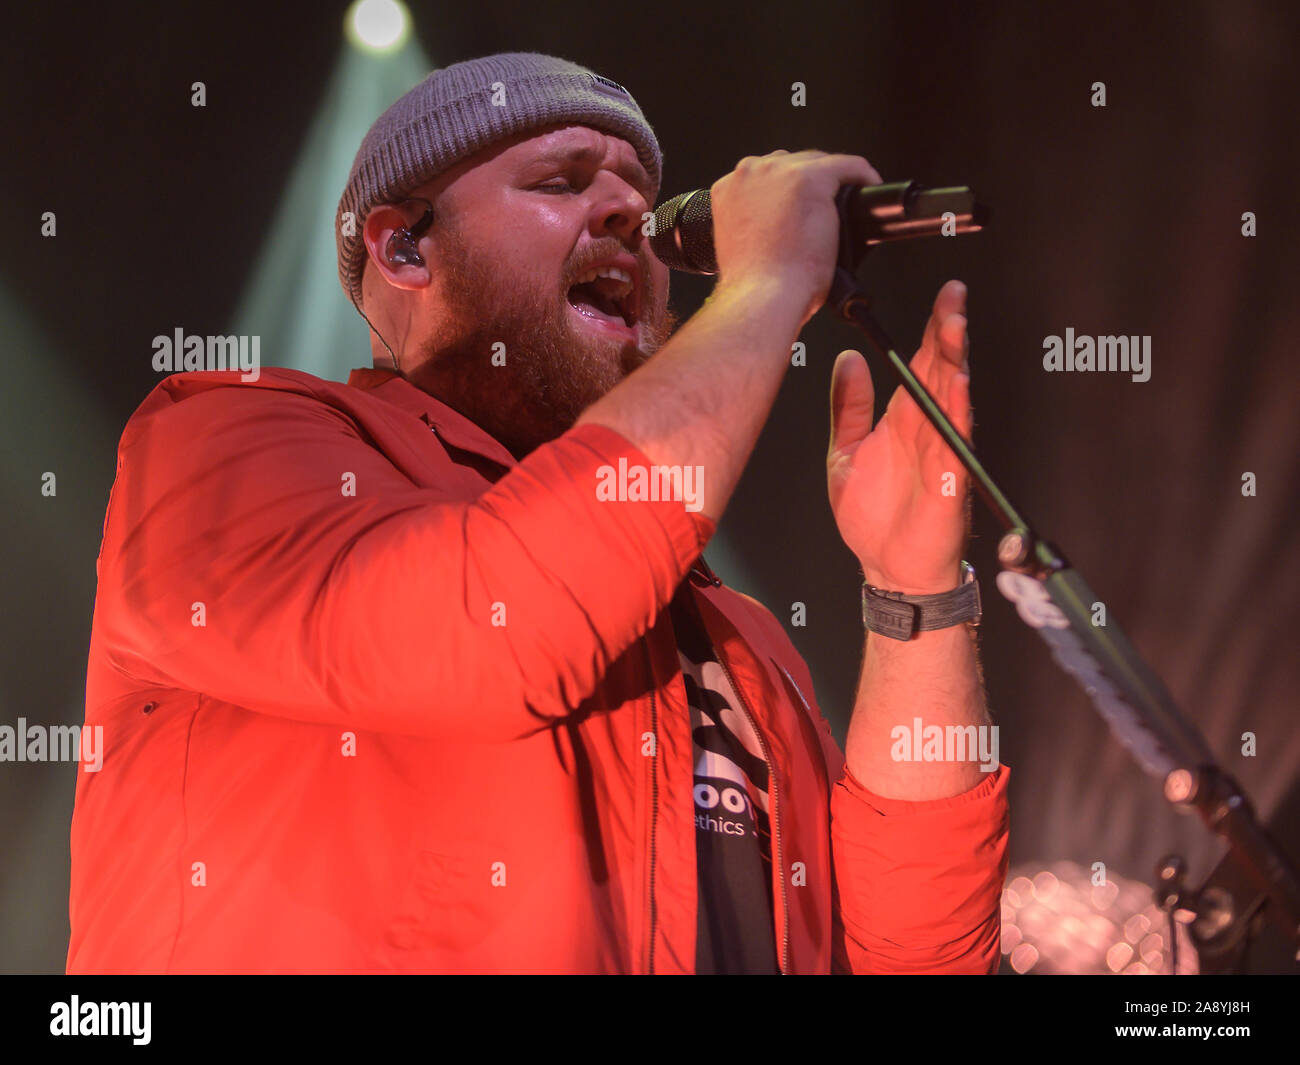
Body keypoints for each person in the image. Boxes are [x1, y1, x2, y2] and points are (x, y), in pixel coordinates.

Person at [67, 52, 1008, 974]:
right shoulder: (223, 444)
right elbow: (491, 625)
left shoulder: (741, 638)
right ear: (403, 247)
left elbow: (916, 956)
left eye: (643, 202)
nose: (627, 216)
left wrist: (912, 591)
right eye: (561, 181)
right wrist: (763, 287)